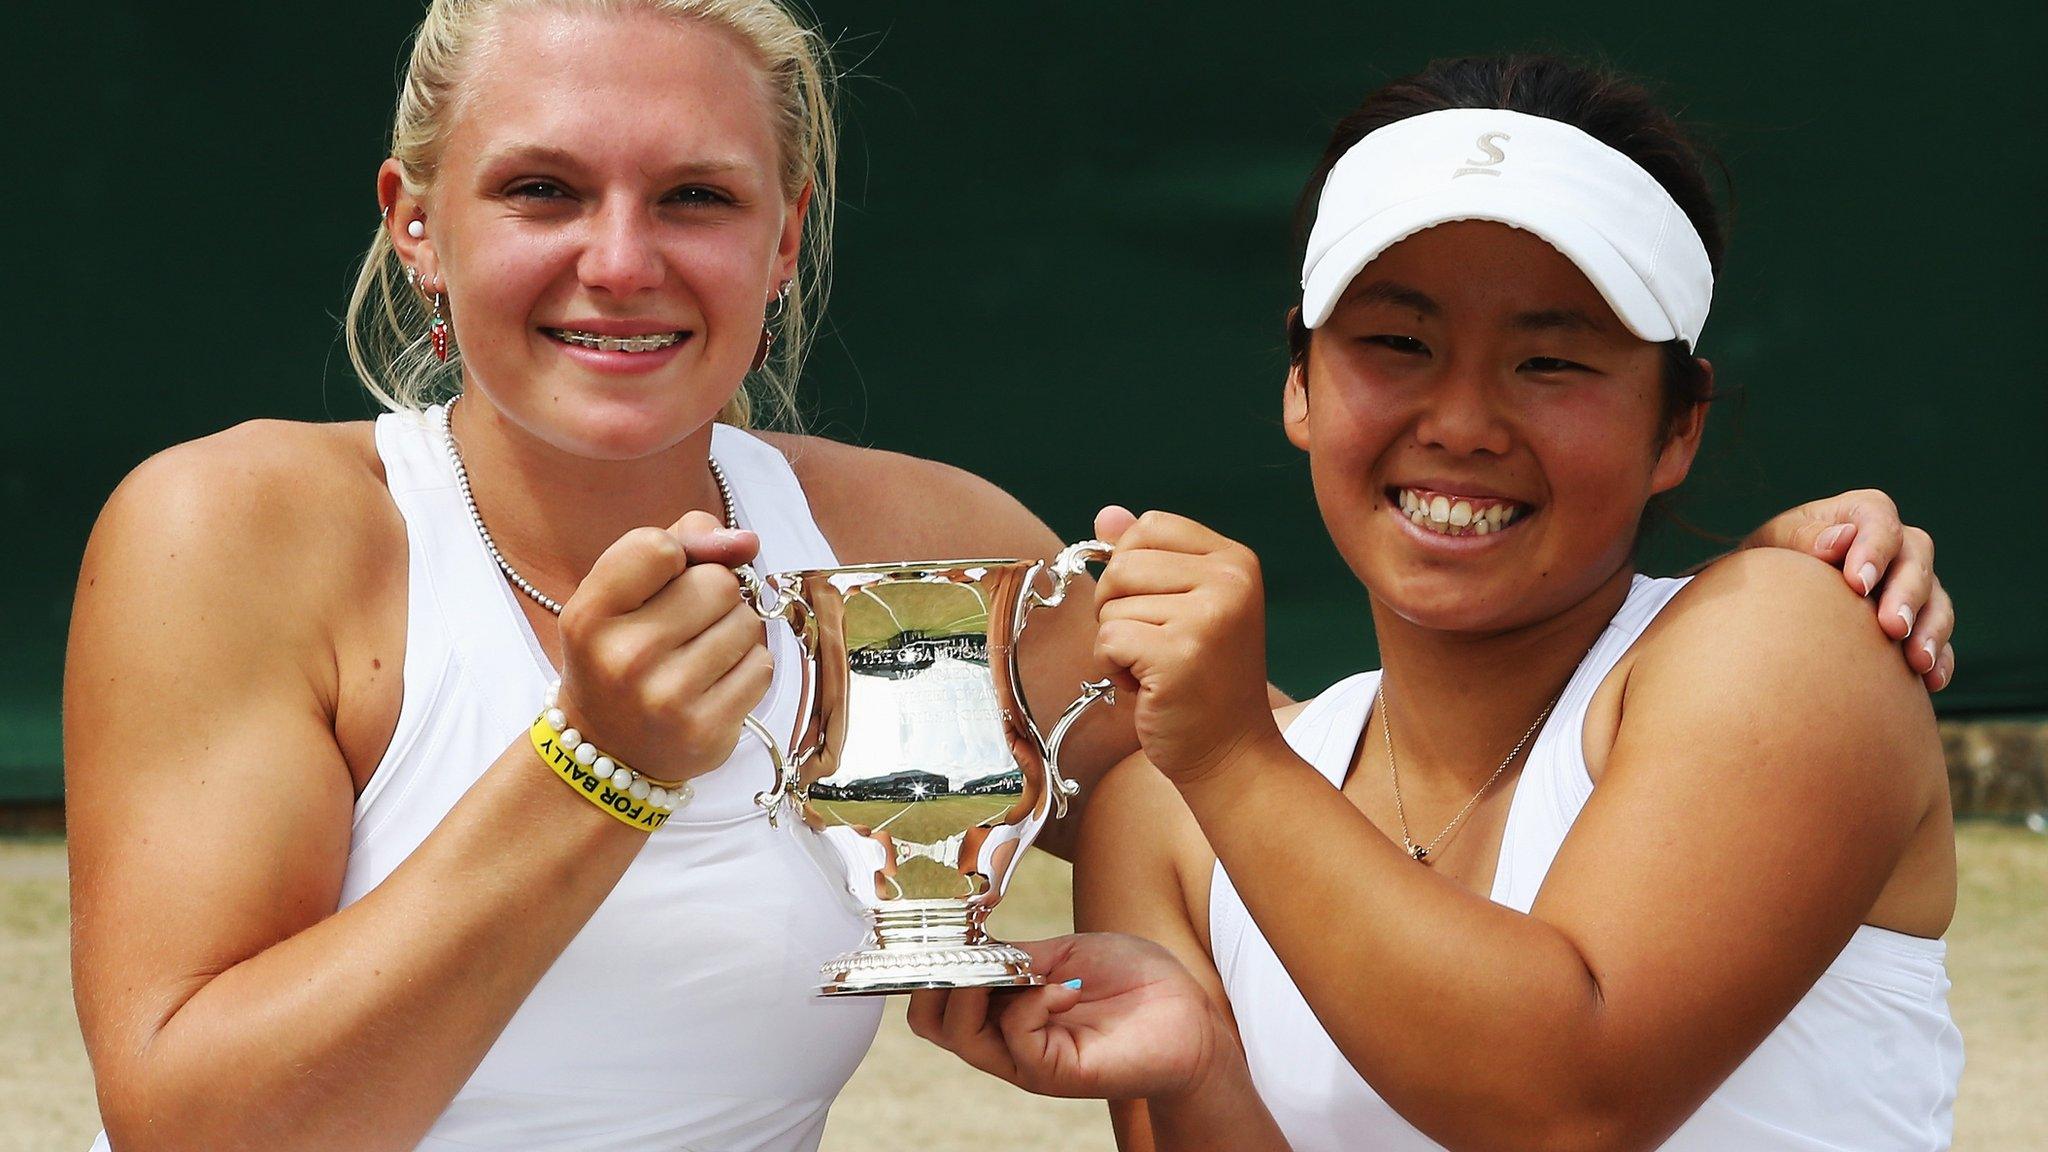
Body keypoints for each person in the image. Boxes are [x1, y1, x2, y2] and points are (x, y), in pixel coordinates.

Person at [62, 5, 1948, 1147]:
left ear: (787, 239)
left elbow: (1321, 778)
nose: (620, 261)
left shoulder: (911, 545)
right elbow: (196, 1126)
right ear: (415, 226)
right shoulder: (237, 529)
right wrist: (592, 773)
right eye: (541, 190)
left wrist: (1752, 618)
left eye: (699, 198)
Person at [908, 55, 1962, 1152]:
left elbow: (1568, 1105)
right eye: (1396, 344)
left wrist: (1228, 754)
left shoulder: (1793, 639)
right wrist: (1198, 1072)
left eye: (1549, 361)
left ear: (1677, 422)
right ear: (1299, 381)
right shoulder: (1164, 820)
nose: (1460, 420)